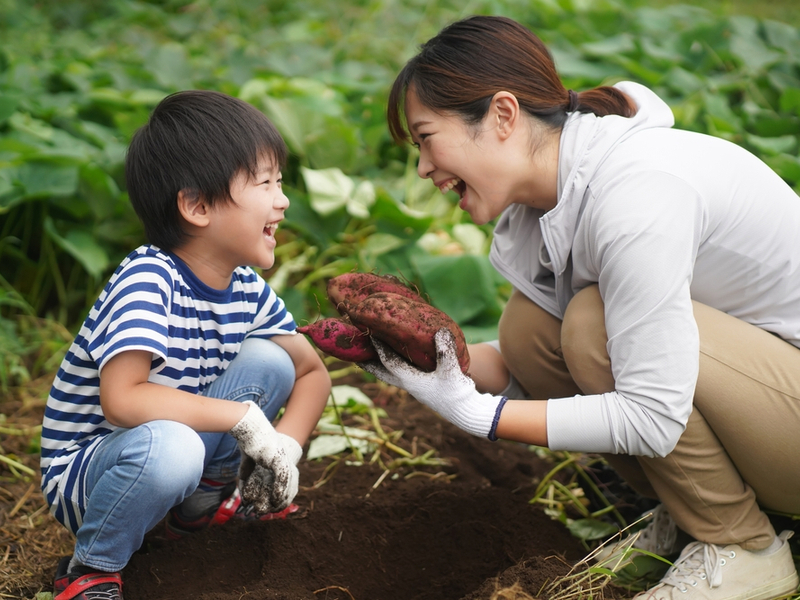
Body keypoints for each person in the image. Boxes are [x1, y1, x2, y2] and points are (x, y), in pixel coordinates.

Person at [366, 14, 800, 600]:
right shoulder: (556, 199)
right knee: (529, 331)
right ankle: (690, 509)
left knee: (593, 328)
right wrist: (432, 362)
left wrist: (479, 416)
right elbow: (529, 367)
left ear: (501, 115)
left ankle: (745, 547)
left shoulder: (636, 192)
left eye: (425, 138)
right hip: (768, 401)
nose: (423, 167)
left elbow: (651, 413)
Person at [40, 90, 331, 600]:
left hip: (178, 454)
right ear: (197, 206)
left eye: (279, 182)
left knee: (271, 359)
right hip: (96, 470)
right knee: (171, 447)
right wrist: (242, 420)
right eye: (265, 183)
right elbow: (124, 400)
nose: (282, 200)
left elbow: (312, 373)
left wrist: (286, 444)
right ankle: (91, 567)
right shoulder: (148, 279)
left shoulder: (245, 287)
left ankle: (198, 504)